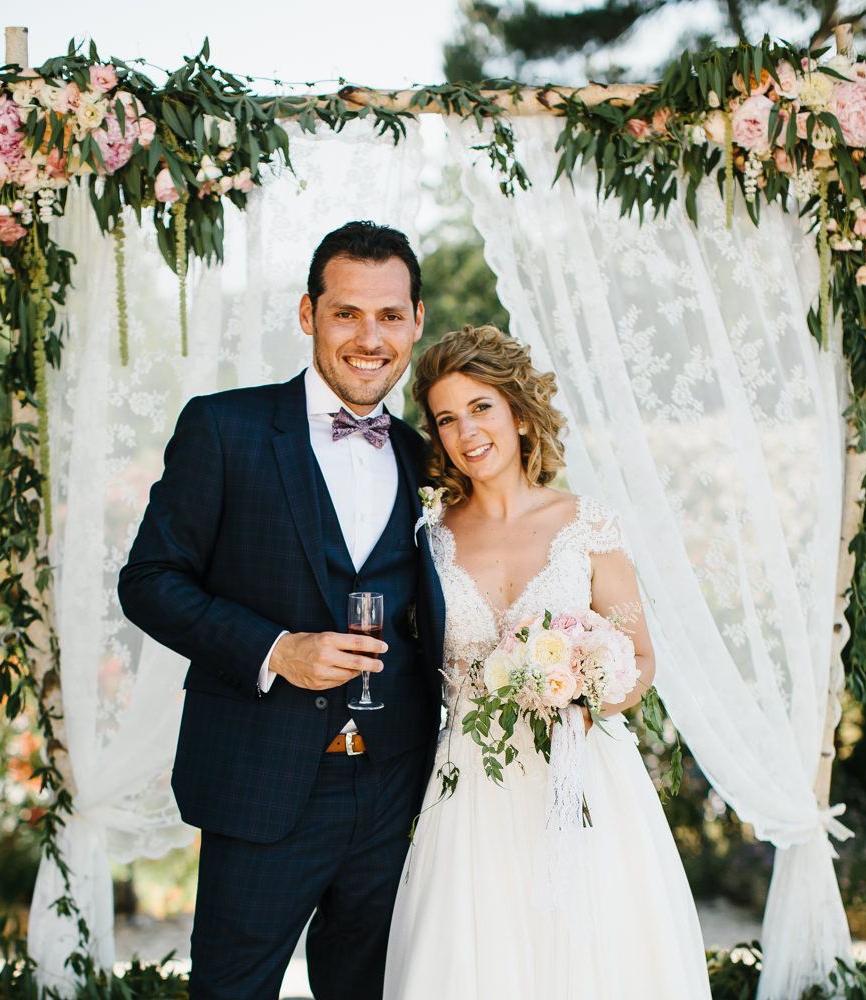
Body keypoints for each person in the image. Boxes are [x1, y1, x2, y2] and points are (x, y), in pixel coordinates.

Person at [117, 221, 445, 1000]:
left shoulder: (426, 456)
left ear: (417, 322)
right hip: (261, 783)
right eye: (347, 313)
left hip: (397, 788)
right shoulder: (224, 429)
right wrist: (275, 649)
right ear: (308, 315)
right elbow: (150, 579)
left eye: (391, 316)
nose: (371, 338)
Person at [384, 325, 712, 999]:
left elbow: (640, 656)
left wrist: (589, 687)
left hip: (585, 776)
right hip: (473, 784)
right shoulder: (428, 537)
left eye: (481, 407)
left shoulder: (586, 525)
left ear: (518, 412)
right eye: (447, 418)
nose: (466, 431)